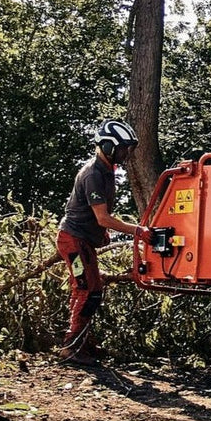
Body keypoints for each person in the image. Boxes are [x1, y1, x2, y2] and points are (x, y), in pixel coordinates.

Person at [56, 119, 143, 365]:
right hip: (72, 242)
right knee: (86, 289)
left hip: (83, 241)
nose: (126, 153)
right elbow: (102, 217)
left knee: (92, 289)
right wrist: (138, 231)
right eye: (123, 148)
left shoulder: (106, 171)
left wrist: (100, 235)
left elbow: (98, 217)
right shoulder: (93, 174)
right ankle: (71, 347)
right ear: (108, 146)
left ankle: (84, 342)